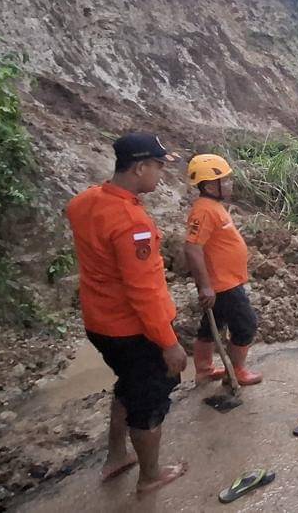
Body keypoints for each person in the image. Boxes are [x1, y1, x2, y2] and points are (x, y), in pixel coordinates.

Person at [66, 132, 188, 495]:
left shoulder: (85, 202)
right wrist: (168, 343)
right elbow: (144, 291)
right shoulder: (132, 223)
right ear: (139, 168)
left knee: (128, 385)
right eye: (158, 168)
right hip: (132, 329)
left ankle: (117, 455)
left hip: (99, 323)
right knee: (149, 400)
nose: (161, 176)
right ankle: (150, 476)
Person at [184, 154, 262, 386]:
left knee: (212, 326)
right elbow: (192, 248)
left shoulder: (212, 206)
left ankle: (205, 371)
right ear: (209, 185)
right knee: (246, 325)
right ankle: (236, 371)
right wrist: (206, 286)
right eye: (224, 180)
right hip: (223, 284)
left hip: (223, 281)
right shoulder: (204, 210)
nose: (229, 184)